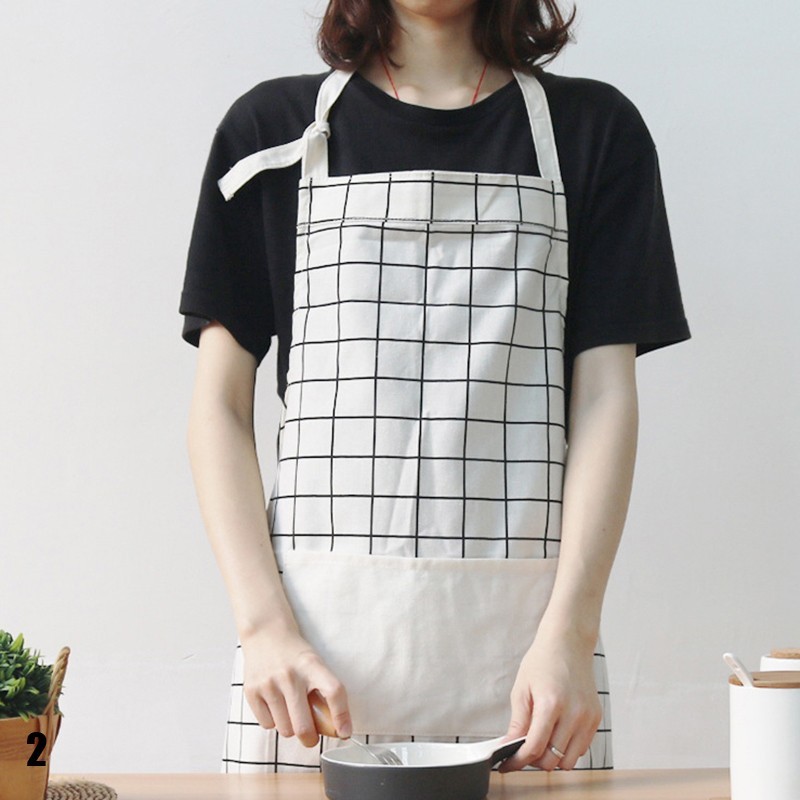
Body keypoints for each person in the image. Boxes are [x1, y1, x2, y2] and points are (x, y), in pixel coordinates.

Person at [180, 0, 690, 775]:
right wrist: (263, 630)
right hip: (305, 676)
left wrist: (572, 634)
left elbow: (605, 401)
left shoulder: (593, 131)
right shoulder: (270, 130)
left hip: (533, 680)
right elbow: (219, 407)